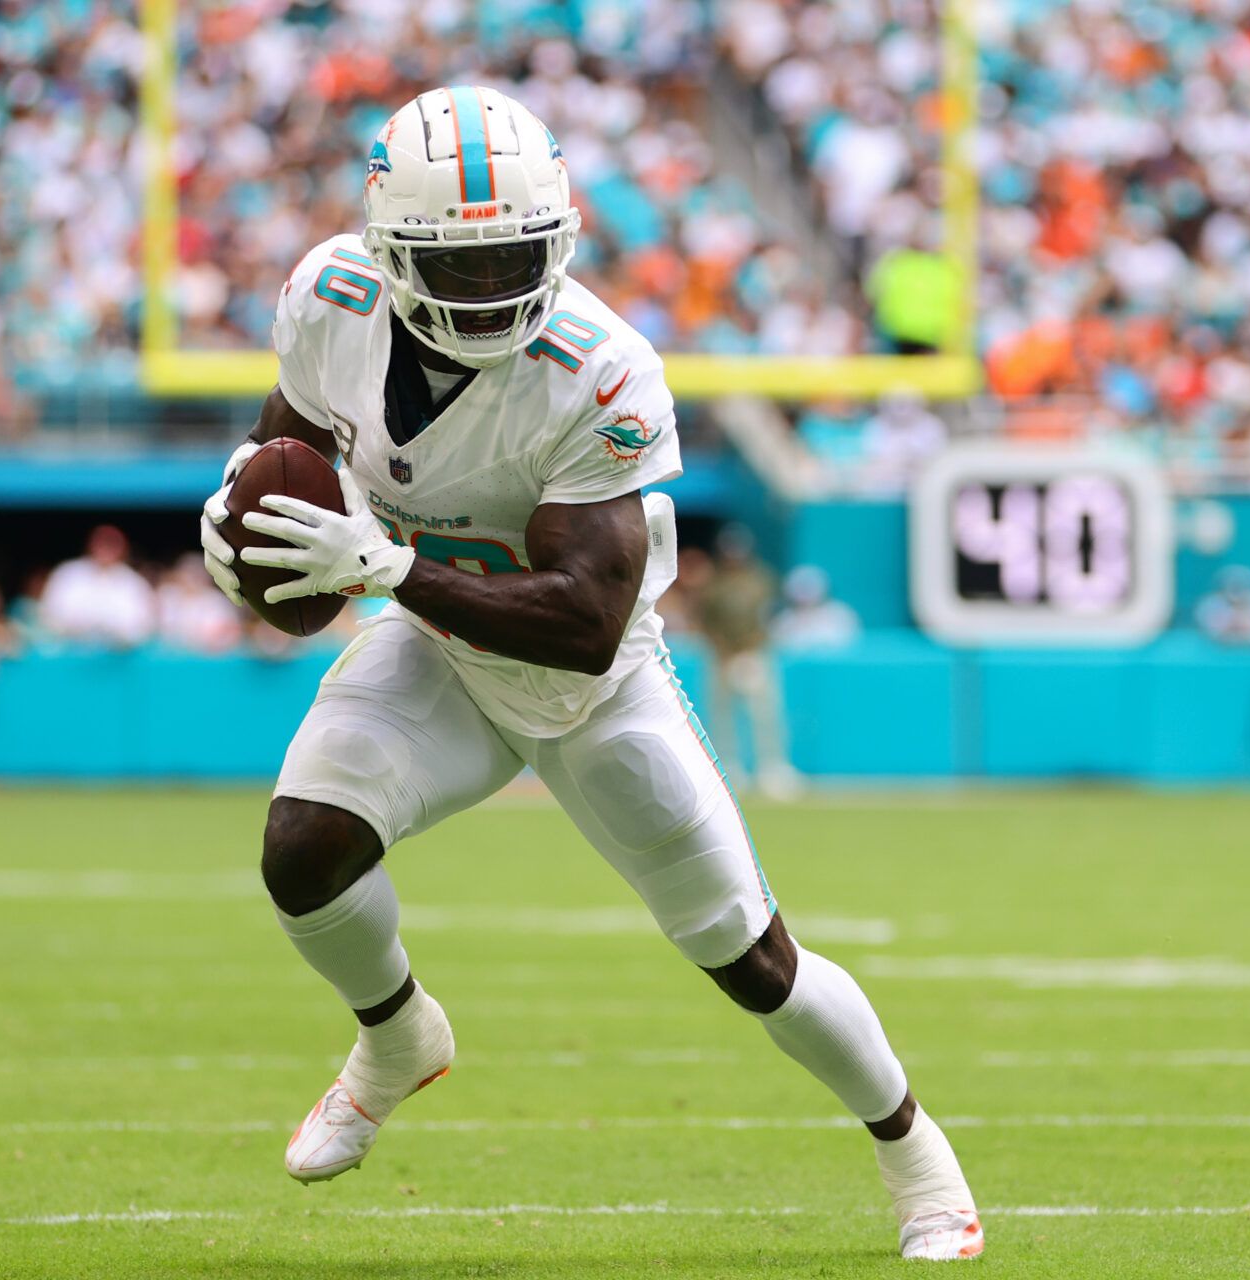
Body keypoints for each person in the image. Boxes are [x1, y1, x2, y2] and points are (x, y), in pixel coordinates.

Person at [198, 86, 981, 1262]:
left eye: (516, 253)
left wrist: (387, 565)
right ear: (388, 251)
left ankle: (919, 1156)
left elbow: (583, 618)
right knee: (303, 848)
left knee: (752, 959)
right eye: (458, 266)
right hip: (441, 651)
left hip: (591, 687)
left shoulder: (598, 366)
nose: (491, 287)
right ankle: (400, 1033)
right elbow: (291, 443)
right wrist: (243, 515)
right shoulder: (332, 297)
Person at [698, 526, 802, 797]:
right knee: (723, 716)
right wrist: (722, 650)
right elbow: (705, 620)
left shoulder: (761, 579)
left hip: (754, 653)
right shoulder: (714, 583)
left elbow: (771, 617)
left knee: (764, 715)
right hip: (721, 656)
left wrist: (752, 646)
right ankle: (729, 768)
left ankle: (772, 769)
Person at [40, 526, 155, 649]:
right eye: (102, 544)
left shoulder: (134, 583)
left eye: (111, 544)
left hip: (120, 660)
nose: (106, 549)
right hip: (70, 654)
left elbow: (143, 626)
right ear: (91, 545)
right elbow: (50, 616)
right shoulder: (67, 574)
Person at [773, 565, 862, 651]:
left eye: (809, 587)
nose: (805, 593)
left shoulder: (841, 615)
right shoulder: (785, 619)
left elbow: (849, 646)